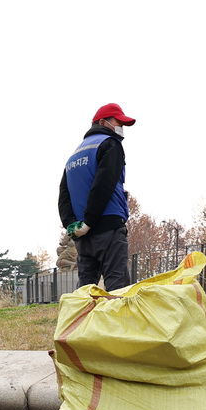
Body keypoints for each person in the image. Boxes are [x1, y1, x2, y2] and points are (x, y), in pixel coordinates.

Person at [59, 103, 135, 292]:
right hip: (108, 226)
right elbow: (104, 184)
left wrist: (72, 225)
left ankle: (83, 321)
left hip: (83, 236)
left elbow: (64, 193)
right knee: (118, 289)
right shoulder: (110, 144)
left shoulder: (74, 155)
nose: (121, 128)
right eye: (119, 123)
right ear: (102, 122)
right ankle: (119, 322)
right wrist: (91, 220)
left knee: (86, 290)